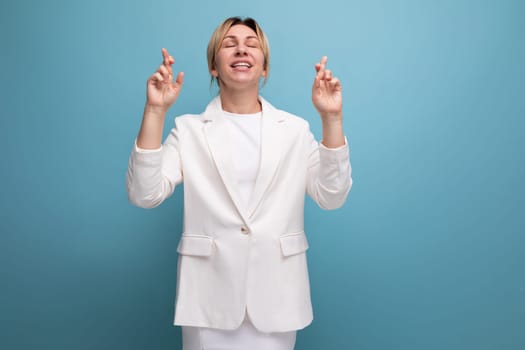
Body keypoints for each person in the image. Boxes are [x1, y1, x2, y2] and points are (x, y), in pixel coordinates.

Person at [126, 16, 352, 350]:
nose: (241, 48)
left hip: (276, 297)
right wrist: (155, 111)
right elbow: (144, 193)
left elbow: (332, 196)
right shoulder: (189, 129)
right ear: (214, 67)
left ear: (264, 68)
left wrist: (331, 119)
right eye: (229, 44)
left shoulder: (294, 129)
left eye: (252, 43)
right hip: (209, 298)